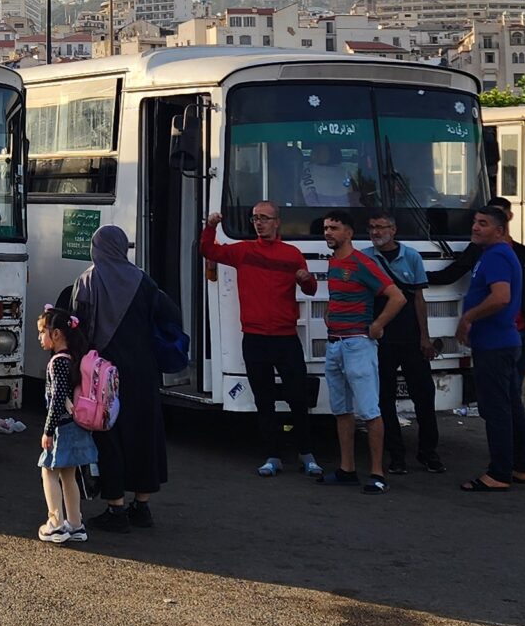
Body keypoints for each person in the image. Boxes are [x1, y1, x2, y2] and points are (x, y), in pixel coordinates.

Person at [46, 225, 173, 531]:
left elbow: (80, 328)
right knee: (144, 433)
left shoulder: (88, 280)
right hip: (143, 371)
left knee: (109, 434)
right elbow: (165, 317)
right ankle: (142, 506)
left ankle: (116, 508)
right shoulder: (144, 280)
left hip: (102, 374)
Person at [200, 205, 320, 476]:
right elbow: (209, 251)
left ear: (277, 222)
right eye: (255, 218)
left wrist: (306, 280)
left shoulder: (291, 254)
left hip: (285, 337)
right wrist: (211, 226)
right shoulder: (244, 251)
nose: (259, 223)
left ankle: (306, 453)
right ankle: (272, 455)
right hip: (255, 337)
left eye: (264, 218)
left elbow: (311, 289)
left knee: (298, 397)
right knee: (264, 400)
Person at [313, 213, 404, 494]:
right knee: (341, 410)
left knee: (369, 411)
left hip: (357, 345)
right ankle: (347, 469)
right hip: (335, 344)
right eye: (326, 228)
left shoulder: (362, 263)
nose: (328, 232)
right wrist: (330, 313)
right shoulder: (334, 262)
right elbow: (338, 296)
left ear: (349, 233)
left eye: (334, 228)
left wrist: (377, 325)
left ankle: (377, 474)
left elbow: (397, 296)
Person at [457, 204, 525, 492]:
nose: (476, 227)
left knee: (495, 408)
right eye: (475, 222)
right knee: (511, 405)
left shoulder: (498, 255)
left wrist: (468, 317)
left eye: (483, 223)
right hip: (501, 343)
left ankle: (499, 473)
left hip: (495, 345)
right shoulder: (492, 254)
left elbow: (501, 297)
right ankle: (520, 466)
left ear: (499, 231)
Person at [362, 213, 443, 475]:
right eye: (372, 227)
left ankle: (428, 453)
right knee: (384, 400)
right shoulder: (364, 258)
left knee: (424, 397)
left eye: (381, 227)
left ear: (394, 229)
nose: (376, 232)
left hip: (411, 340)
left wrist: (424, 337)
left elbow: (419, 299)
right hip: (380, 341)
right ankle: (396, 456)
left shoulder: (411, 257)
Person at [32, 305, 97, 544]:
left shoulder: (58, 362)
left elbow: (57, 400)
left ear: (56, 334)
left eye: (42, 332)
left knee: (48, 471)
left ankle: (56, 524)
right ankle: (76, 524)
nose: (40, 337)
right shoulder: (72, 358)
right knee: (69, 475)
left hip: (61, 428)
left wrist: (48, 430)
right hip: (75, 425)